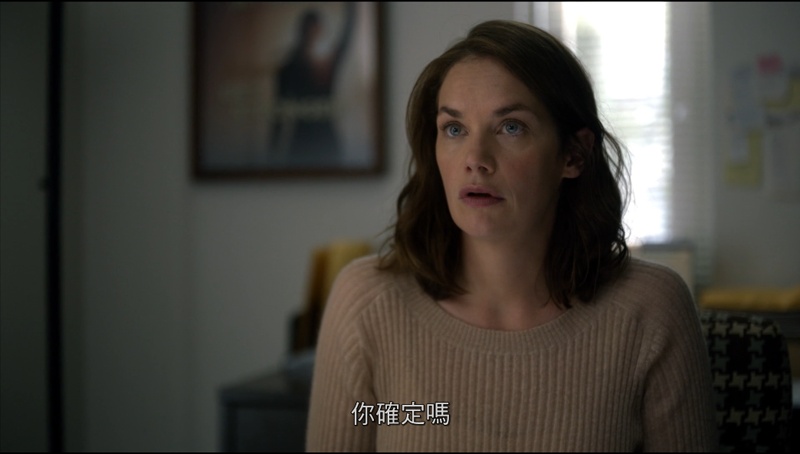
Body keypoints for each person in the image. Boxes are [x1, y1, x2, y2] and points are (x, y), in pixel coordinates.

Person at [306, 19, 718, 451]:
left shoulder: (651, 311)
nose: (475, 159)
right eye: (454, 129)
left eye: (511, 127)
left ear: (573, 154)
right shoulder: (367, 304)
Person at [268, 3, 356, 167]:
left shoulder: (326, 65)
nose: (314, 35)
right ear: (303, 32)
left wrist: (352, 7)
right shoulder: (290, 67)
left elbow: (347, 36)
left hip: (326, 139)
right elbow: (278, 112)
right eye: (311, 30)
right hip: (301, 141)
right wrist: (271, 154)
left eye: (317, 30)